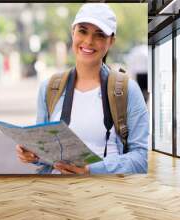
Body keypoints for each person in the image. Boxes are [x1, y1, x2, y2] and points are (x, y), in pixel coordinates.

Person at [16, 3, 149, 174]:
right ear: (73, 32)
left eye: (99, 35)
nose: (88, 41)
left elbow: (141, 158)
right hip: (57, 196)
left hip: (108, 195)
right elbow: (46, 150)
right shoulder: (50, 88)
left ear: (111, 41)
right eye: (82, 31)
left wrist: (92, 169)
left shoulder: (127, 90)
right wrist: (33, 154)